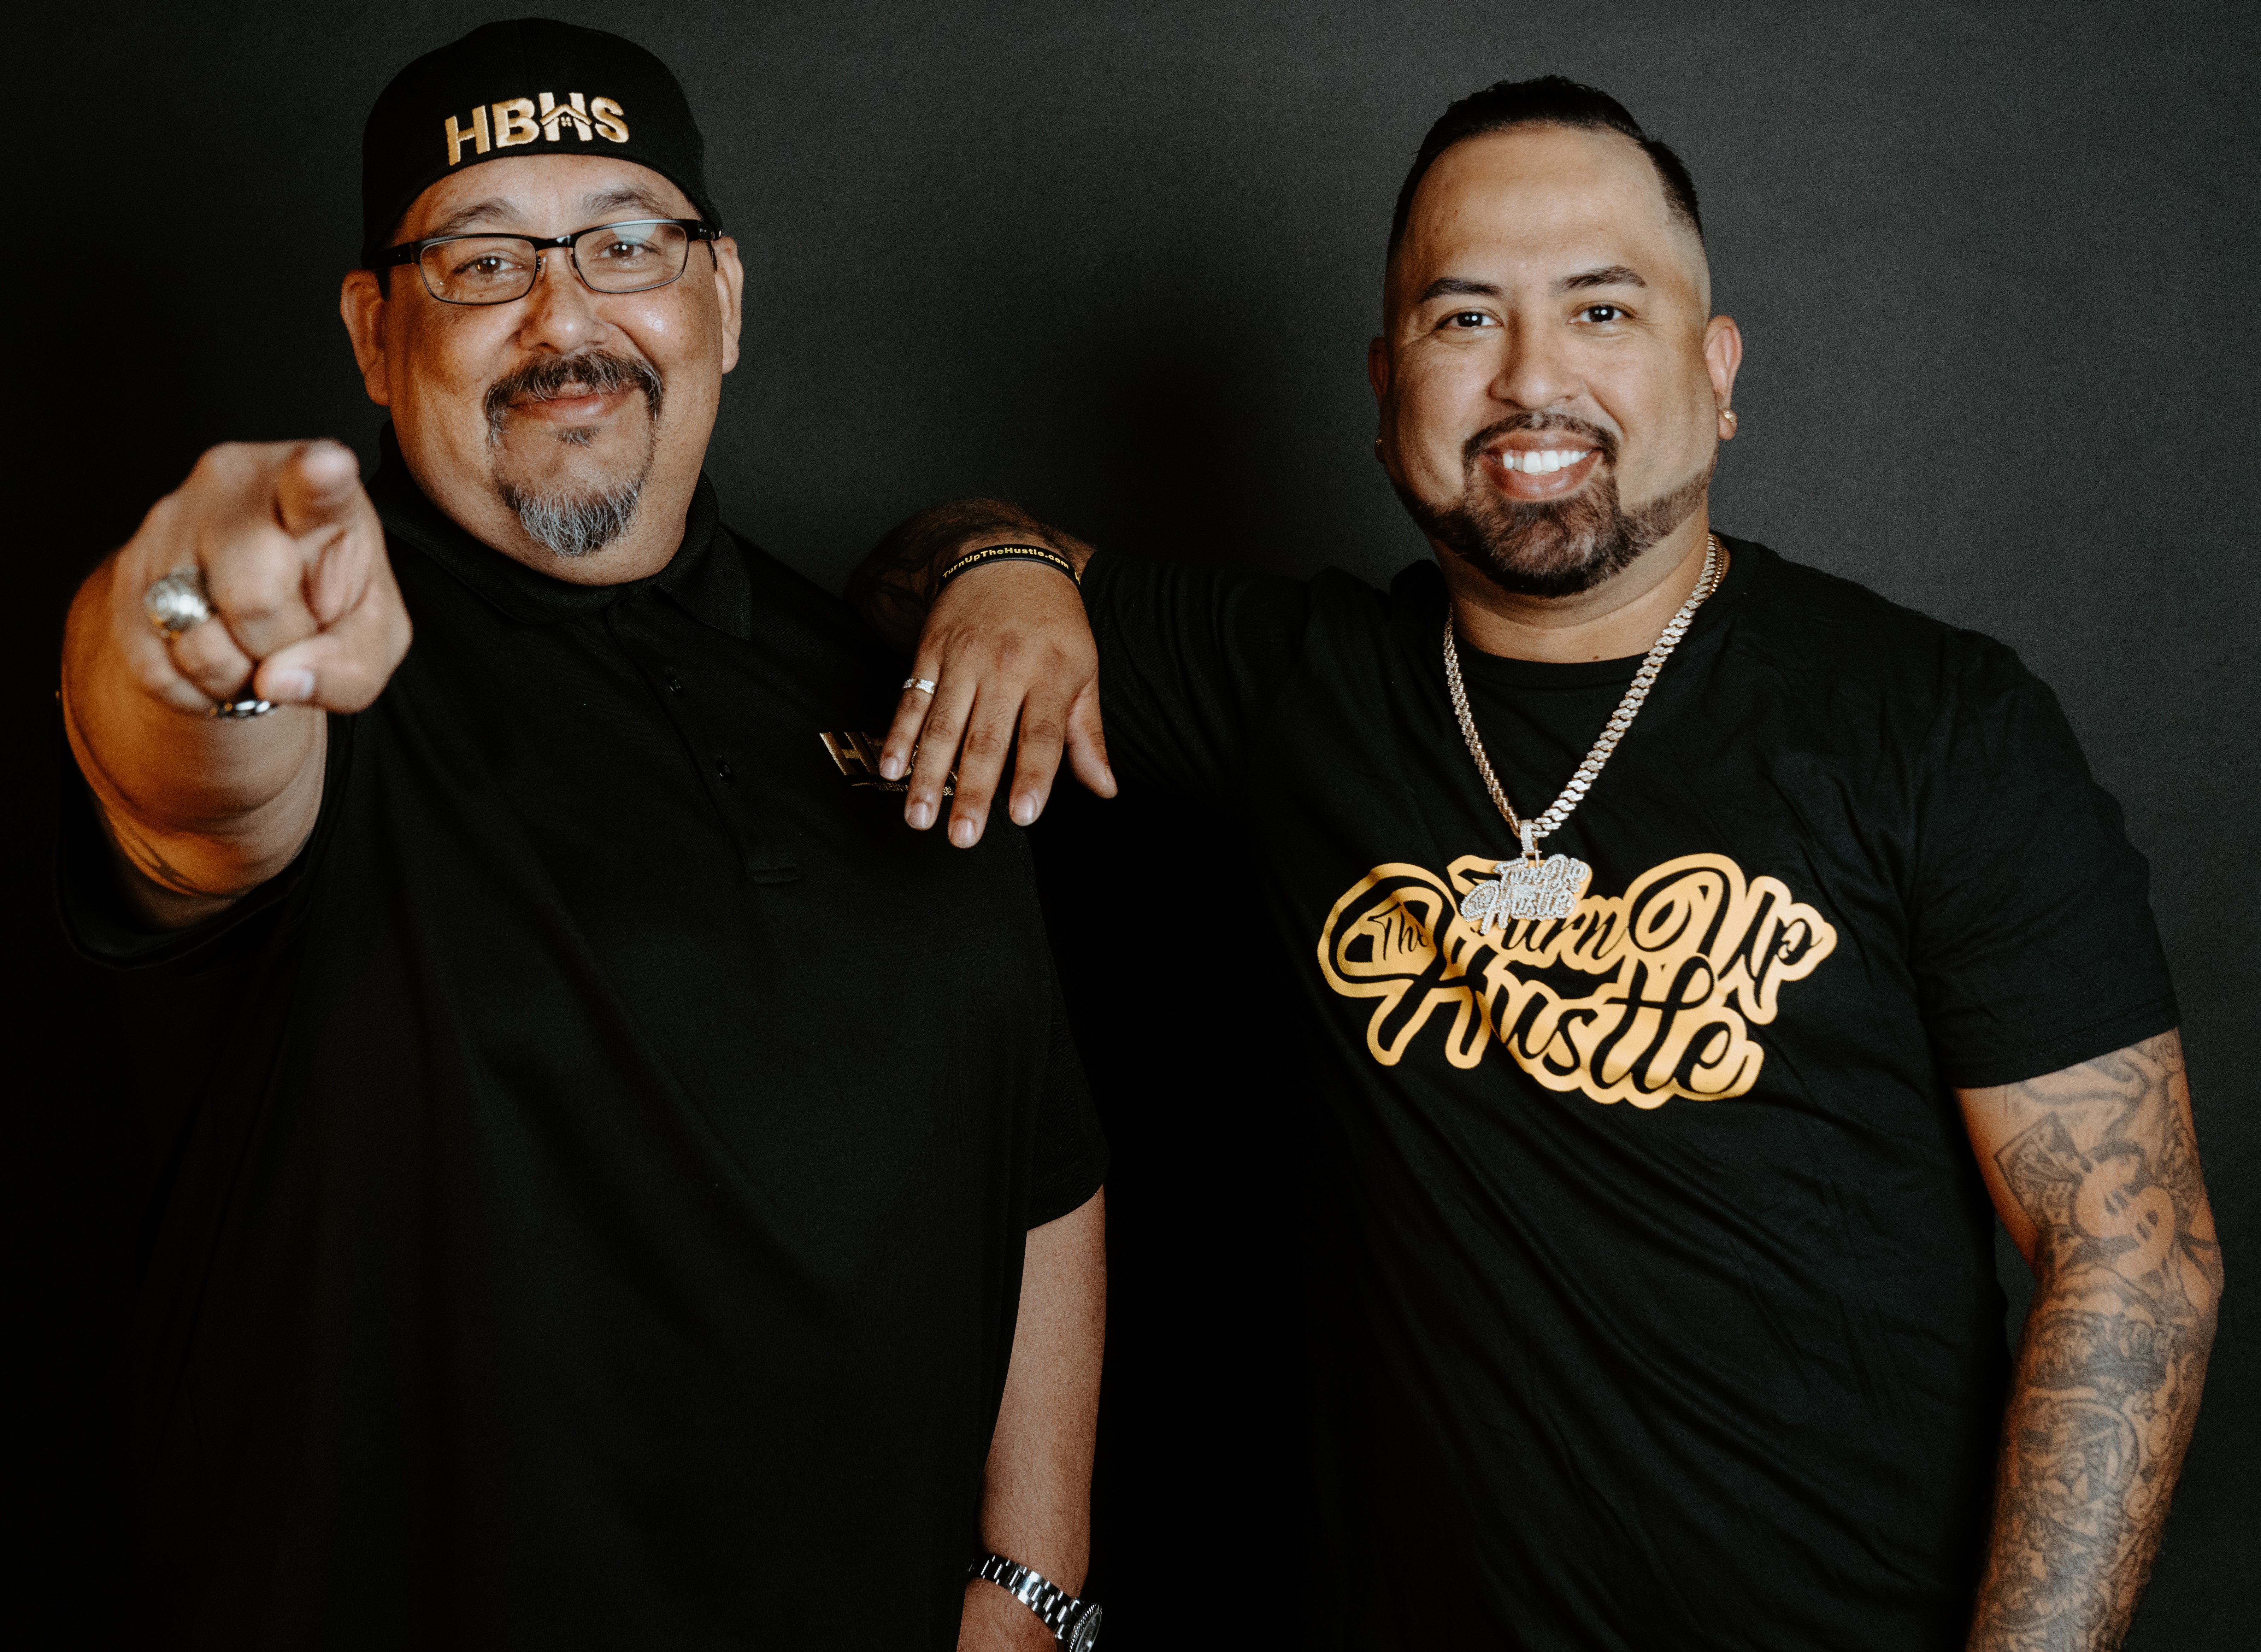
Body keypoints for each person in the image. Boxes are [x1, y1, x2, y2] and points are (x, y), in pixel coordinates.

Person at [852, 76, 2221, 1651]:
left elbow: (2130, 1255)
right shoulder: (1296, 686)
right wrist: (1001, 564)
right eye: (1464, 320)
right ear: (1385, 393)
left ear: (1717, 373)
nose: (1532, 379)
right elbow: (903, 565)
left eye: (1600, 310)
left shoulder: (1935, 724)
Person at [56, 20, 1107, 1649]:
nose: (565, 319)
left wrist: (1031, 1576)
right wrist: (196, 628)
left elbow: (1036, 1156)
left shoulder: (889, 673)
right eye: (483, 262)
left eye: (628, 243)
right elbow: (184, 774)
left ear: (723, 297)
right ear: (374, 331)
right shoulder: (337, 667)